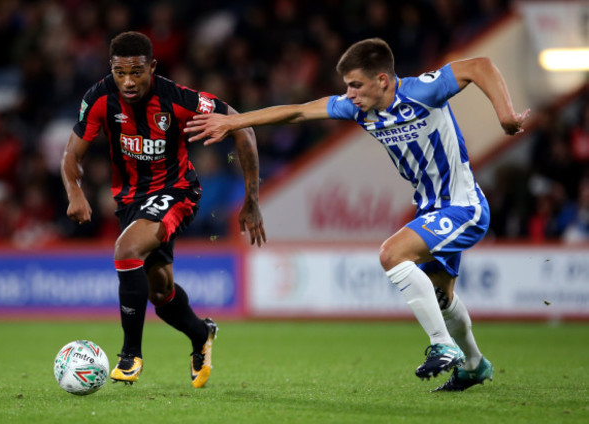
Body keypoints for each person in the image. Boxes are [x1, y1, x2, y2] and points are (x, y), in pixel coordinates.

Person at [185, 38, 529, 391]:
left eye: (356, 85)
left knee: (391, 254)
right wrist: (234, 122)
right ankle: (474, 365)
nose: (349, 94)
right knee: (441, 297)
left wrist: (505, 116)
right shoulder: (358, 108)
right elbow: (299, 110)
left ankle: (443, 346)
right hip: (431, 207)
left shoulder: (421, 91)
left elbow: (481, 66)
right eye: (347, 86)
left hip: (464, 206)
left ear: (382, 80)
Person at [61, 31, 266, 388]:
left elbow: (242, 127)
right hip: (130, 200)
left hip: (177, 190)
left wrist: (251, 199)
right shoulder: (98, 98)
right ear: (111, 68)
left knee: (125, 250)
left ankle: (130, 356)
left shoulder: (178, 99)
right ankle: (201, 334)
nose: (128, 81)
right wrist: (74, 191)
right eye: (120, 72)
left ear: (152, 67)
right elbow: (70, 155)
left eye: (136, 72)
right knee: (159, 290)